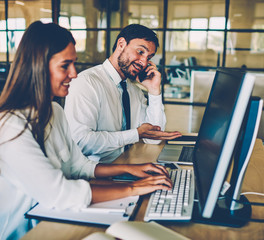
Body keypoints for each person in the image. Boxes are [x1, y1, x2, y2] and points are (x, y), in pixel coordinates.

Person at [0, 21, 173, 240]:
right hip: (27, 232)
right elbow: (58, 192)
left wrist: (130, 172)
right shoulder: (9, 124)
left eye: (74, 64)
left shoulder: (53, 111)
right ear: (38, 66)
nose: (74, 74)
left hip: (54, 216)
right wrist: (133, 189)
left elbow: (78, 166)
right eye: (65, 66)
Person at [64, 24, 182, 163]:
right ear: (121, 44)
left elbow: (152, 138)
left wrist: (154, 91)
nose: (144, 62)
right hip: (95, 175)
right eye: (140, 51)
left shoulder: (134, 89)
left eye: (149, 57)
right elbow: (81, 143)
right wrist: (135, 134)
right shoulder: (87, 83)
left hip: (128, 166)